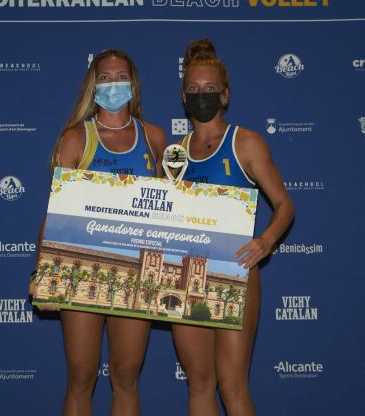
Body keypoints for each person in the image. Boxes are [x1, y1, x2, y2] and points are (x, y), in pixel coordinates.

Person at [37, 49, 167, 416]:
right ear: (93, 84)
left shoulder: (155, 136)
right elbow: (56, 213)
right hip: (82, 267)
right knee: (81, 377)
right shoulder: (76, 138)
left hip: (138, 271)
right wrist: (43, 273)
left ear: (134, 83)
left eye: (120, 76)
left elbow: (171, 211)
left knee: (126, 378)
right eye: (105, 77)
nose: (113, 84)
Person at [171, 39, 295, 415]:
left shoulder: (246, 142)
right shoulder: (174, 153)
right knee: (199, 384)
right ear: (182, 96)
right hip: (186, 273)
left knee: (233, 386)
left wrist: (266, 241)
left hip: (234, 273)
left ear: (224, 96)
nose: (201, 96)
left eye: (209, 90)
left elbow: (285, 205)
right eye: (193, 90)